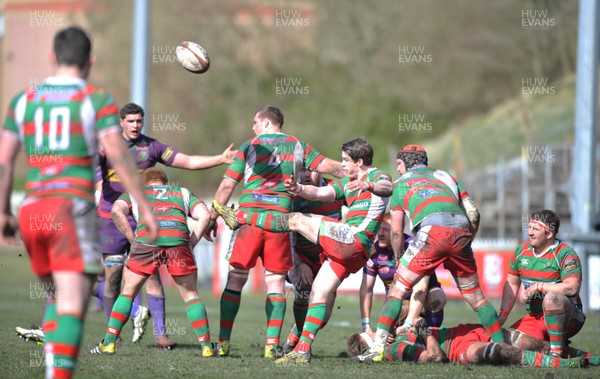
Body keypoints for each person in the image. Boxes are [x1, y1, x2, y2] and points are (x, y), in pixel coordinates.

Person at [0, 26, 158, 379]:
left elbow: (4, 161)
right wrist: (144, 207)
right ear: (90, 61)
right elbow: (118, 155)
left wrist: (2, 211)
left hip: (33, 210)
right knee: (73, 301)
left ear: (53, 57)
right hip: (70, 207)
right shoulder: (95, 99)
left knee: (59, 297)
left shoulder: (22, 100)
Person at [213, 136, 393, 364]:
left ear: (359, 161)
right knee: (318, 292)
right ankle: (302, 349)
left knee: (296, 219)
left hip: (353, 237)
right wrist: (297, 188)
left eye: (346, 160)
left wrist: (369, 185)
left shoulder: (378, 176)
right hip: (351, 251)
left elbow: (388, 187)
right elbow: (318, 193)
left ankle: (240, 216)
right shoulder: (347, 184)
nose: (342, 165)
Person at [204, 106, 345, 359]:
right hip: (279, 221)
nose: (253, 128)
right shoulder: (299, 145)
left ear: (267, 123)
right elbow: (329, 167)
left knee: (236, 279)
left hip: (248, 220)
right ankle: (271, 346)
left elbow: (227, 185)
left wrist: (213, 217)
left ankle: (223, 343)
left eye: (255, 122)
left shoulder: (249, 146)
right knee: (276, 283)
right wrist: (359, 173)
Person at [96, 102, 236, 348]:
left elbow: (189, 161)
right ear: (121, 122)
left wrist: (221, 159)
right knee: (114, 275)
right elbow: (95, 180)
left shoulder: (151, 147)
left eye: (139, 121)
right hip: (114, 216)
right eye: (130, 121)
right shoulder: (107, 147)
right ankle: (115, 334)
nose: (135, 125)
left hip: (150, 216)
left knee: (152, 275)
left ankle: (160, 334)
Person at [355, 144, 503, 362]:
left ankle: (377, 349)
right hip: (461, 231)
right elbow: (473, 212)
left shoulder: (400, 184)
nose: (397, 170)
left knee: (397, 289)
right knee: (476, 298)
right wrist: (466, 240)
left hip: (432, 232)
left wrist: (398, 258)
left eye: (398, 164)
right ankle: (501, 345)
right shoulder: (445, 176)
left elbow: (396, 231)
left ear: (406, 163)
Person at [91, 168, 214, 356]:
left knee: (128, 292)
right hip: (177, 242)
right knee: (191, 295)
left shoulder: (136, 192)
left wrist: (132, 238)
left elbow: (116, 211)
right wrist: (191, 243)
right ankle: (206, 346)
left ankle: (108, 343)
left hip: (147, 241)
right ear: (165, 182)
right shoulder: (182, 192)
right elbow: (205, 215)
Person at [498, 209, 585, 358]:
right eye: (529, 228)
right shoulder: (521, 252)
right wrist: (503, 316)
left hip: (569, 316)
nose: (530, 233)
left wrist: (539, 287)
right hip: (536, 317)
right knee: (506, 340)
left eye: (535, 229)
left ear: (549, 233)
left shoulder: (565, 253)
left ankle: (556, 355)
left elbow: (572, 287)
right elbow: (512, 284)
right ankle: (563, 351)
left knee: (551, 298)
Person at [282, 169, 343, 353]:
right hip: (300, 256)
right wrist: (299, 264)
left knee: (326, 310)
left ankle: (296, 336)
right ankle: (296, 344)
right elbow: (286, 235)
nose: (306, 175)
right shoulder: (293, 196)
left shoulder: (336, 190)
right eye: (302, 170)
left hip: (328, 258)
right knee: (302, 289)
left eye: (311, 170)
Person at [348, 324, 588, 368]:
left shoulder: (396, 331)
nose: (378, 330)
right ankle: (565, 365)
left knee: (533, 343)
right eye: (372, 334)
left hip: (465, 331)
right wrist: (424, 331)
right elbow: (435, 358)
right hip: (459, 351)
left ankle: (590, 357)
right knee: (503, 352)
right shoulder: (395, 350)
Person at [359, 212, 445, 334]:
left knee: (437, 297)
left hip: (423, 297)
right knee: (401, 308)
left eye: (386, 230)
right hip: (400, 301)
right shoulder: (374, 252)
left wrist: (409, 322)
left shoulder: (414, 247)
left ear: (396, 232)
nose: (381, 234)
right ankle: (407, 332)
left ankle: (432, 332)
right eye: (380, 229)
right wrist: (365, 325)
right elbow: (366, 289)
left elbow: (421, 288)